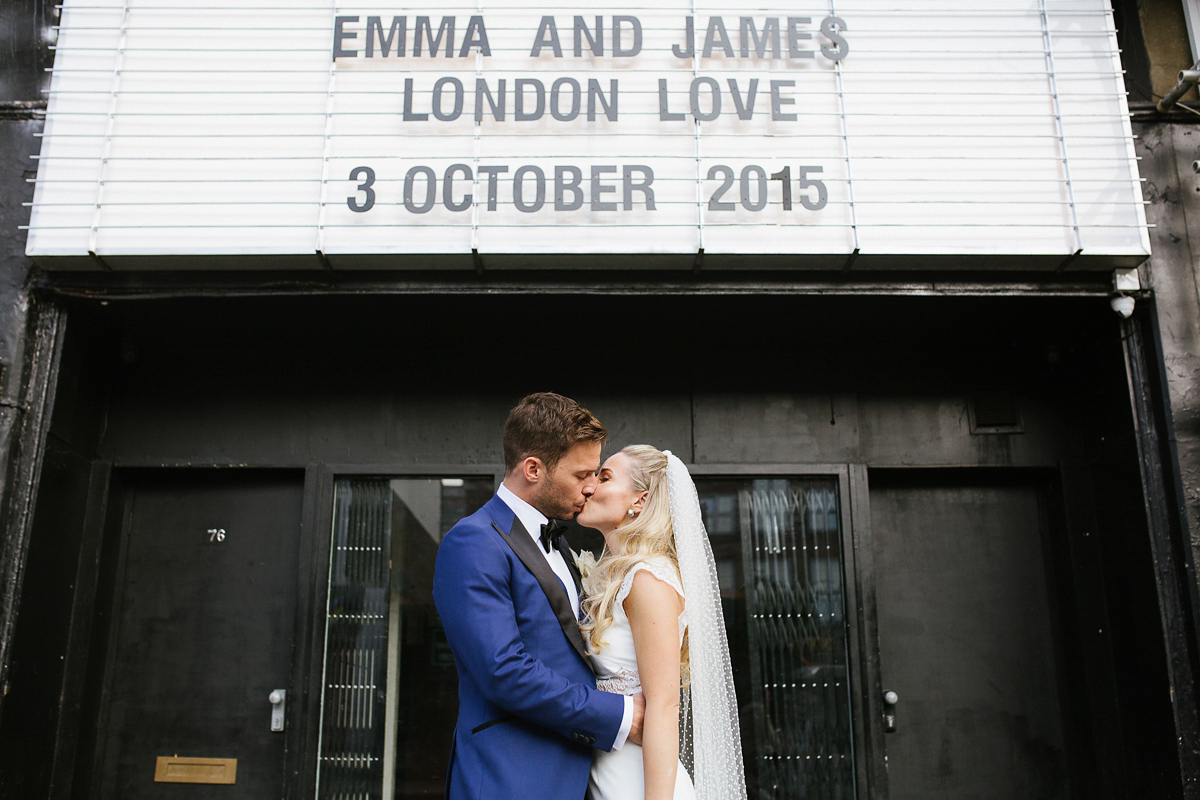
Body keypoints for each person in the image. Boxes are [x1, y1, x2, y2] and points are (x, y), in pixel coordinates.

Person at [432, 392, 645, 800]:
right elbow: (503, 670)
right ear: (533, 468)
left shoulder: (561, 546)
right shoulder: (473, 542)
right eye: (581, 475)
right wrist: (617, 715)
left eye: (596, 475)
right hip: (511, 777)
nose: (589, 489)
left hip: (588, 772)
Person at [577, 445, 747, 800]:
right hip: (606, 766)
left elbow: (665, 707)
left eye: (604, 476)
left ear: (639, 501)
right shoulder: (616, 577)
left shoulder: (648, 578)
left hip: (635, 779)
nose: (590, 486)